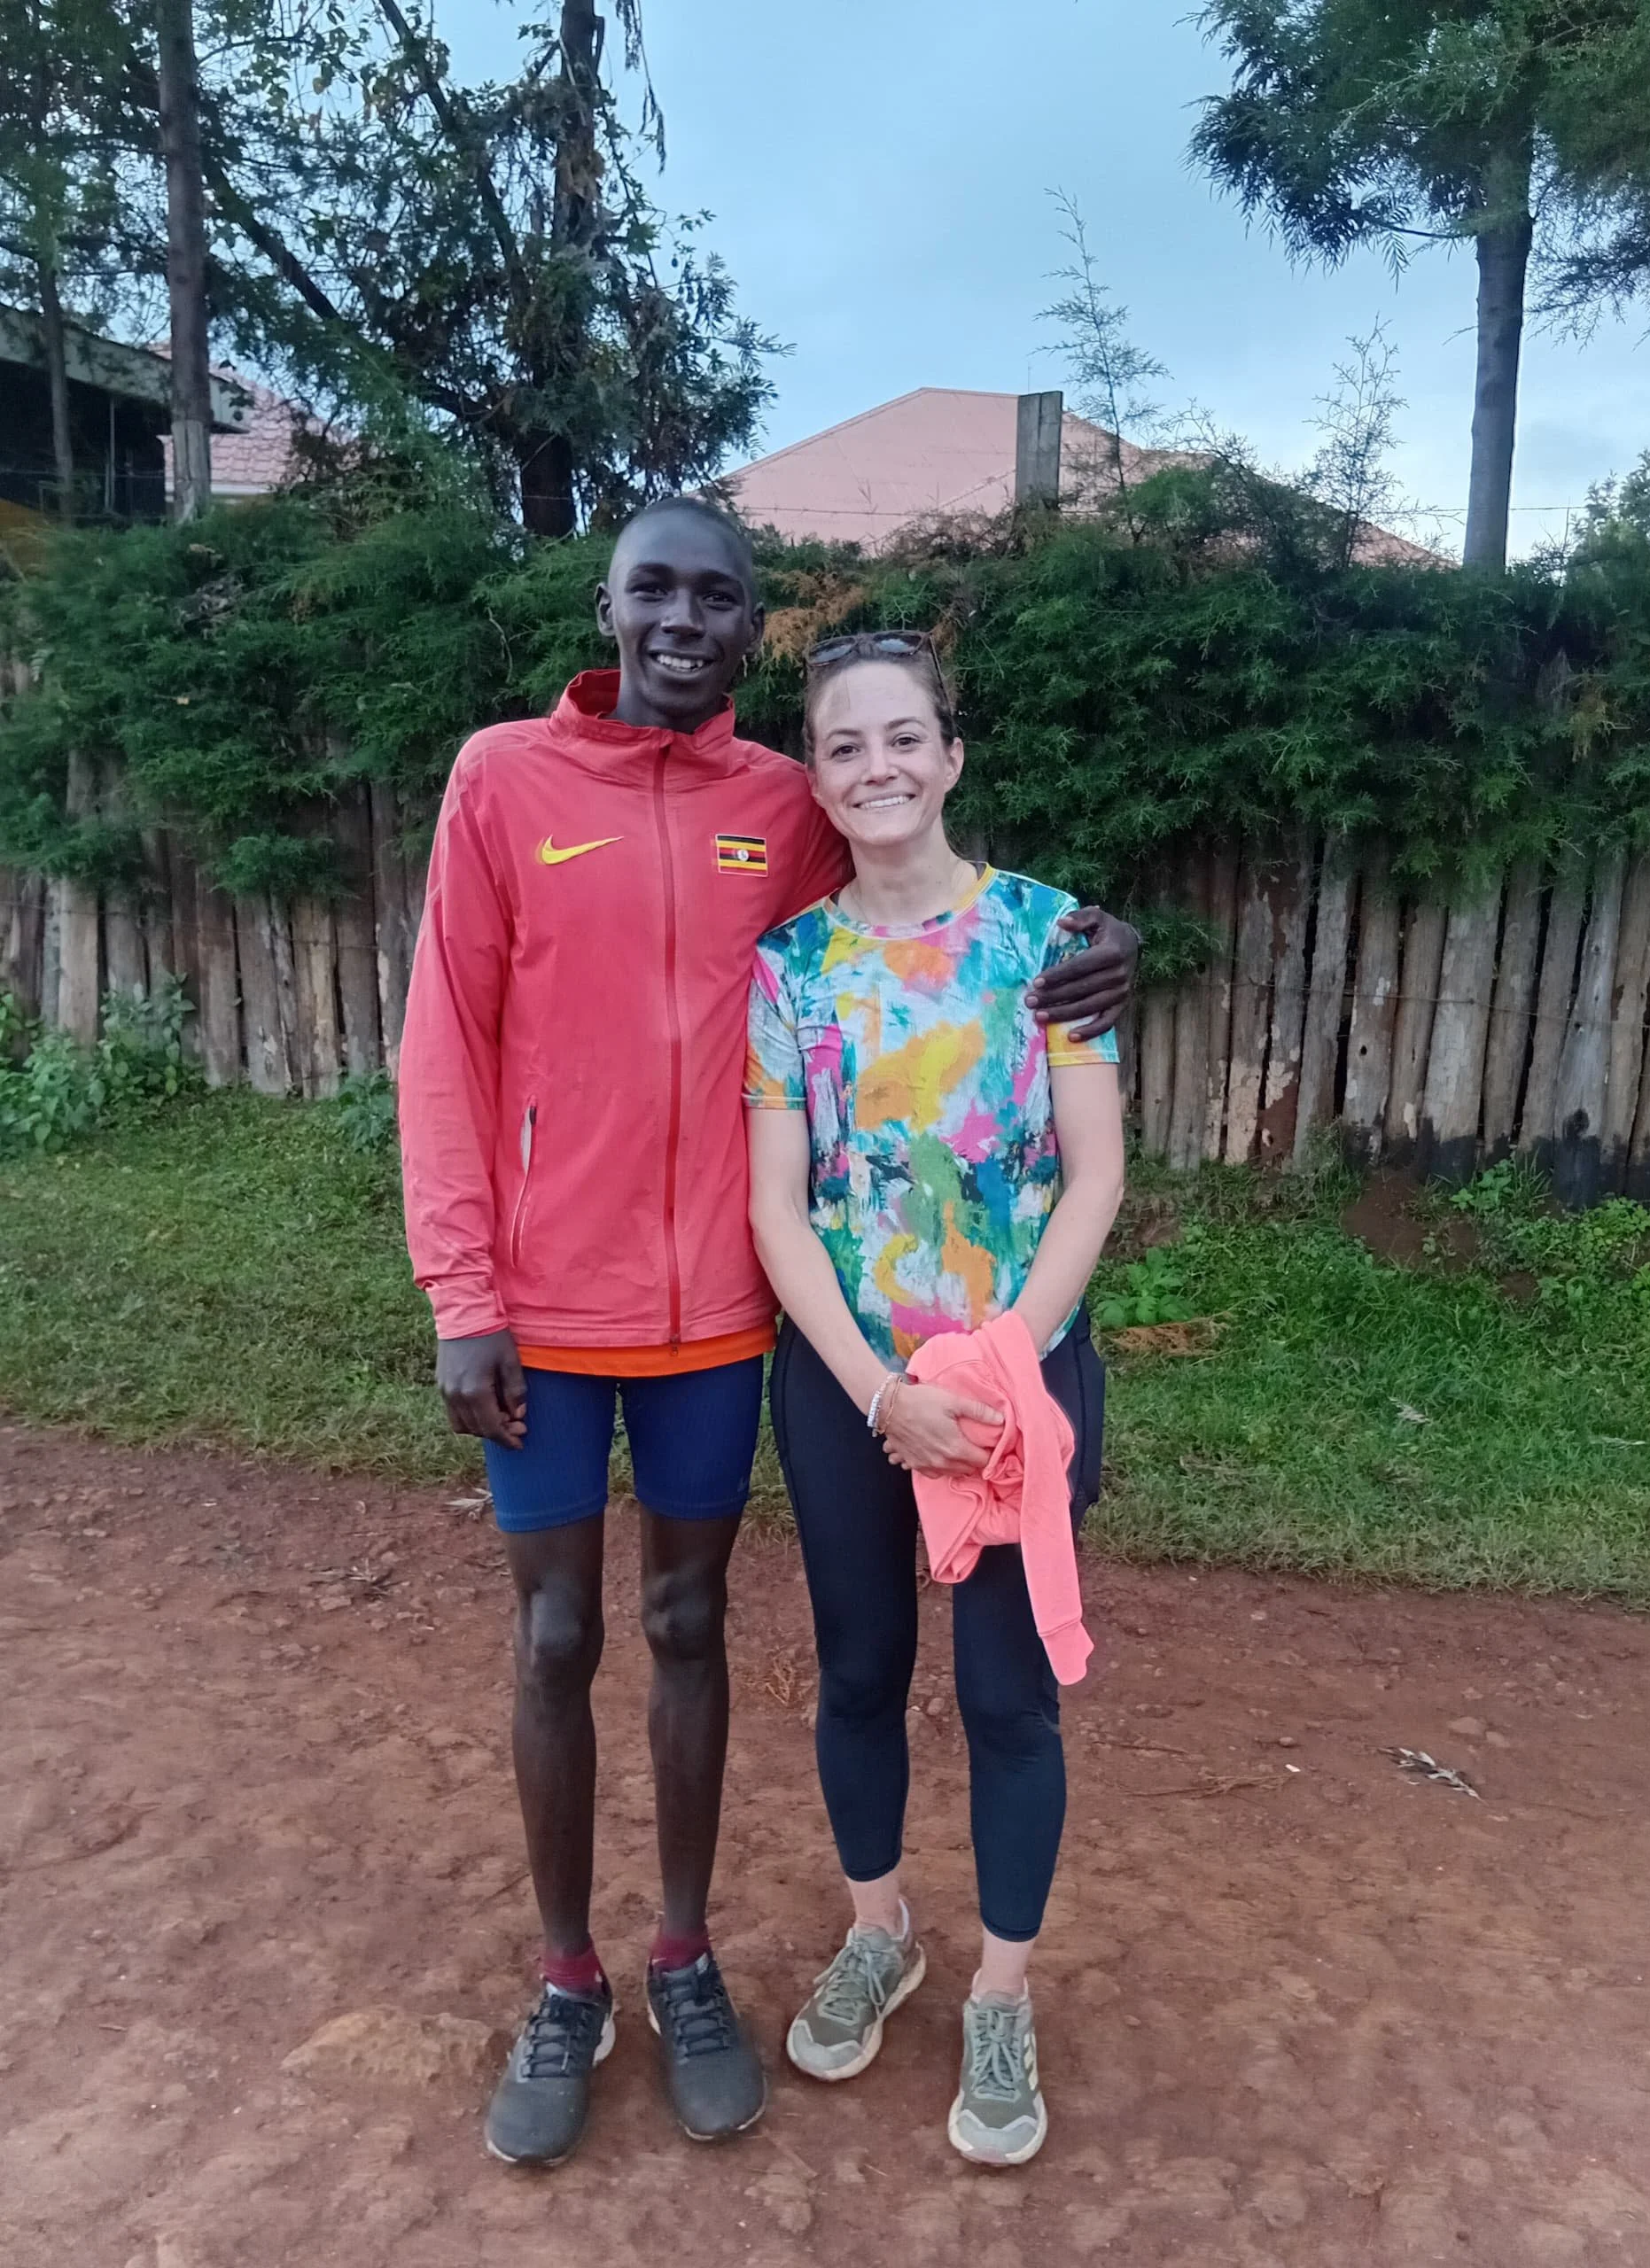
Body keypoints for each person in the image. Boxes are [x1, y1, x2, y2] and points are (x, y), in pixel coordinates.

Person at [396, 500, 1137, 2169]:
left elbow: (956, 911)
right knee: (557, 1642)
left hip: (729, 1329)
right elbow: (443, 1042)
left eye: (715, 597)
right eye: (652, 587)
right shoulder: (501, 779)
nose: (681, 618)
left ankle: (685, 1958)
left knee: (688, 1625)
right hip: (576, 1316)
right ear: (608, 601)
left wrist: (1108, 942)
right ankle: (570, 1978)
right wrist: (463, 1295)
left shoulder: (778, 811)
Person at [745, 630, 1127, 2168]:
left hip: (1020, 1384)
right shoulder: (788, 970)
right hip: (849, 1385)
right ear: (819, 776)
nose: (879, 766)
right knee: (856, 1671)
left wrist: (1000, 1365)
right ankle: (880, 1928)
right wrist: (883, 1392)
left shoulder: (1056, 940)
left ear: (952, 756)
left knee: (1003, 1695)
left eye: (906, 737)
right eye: (846, 745)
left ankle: (1005, 1990)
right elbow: (783, 1207)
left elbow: (1096, 1170)